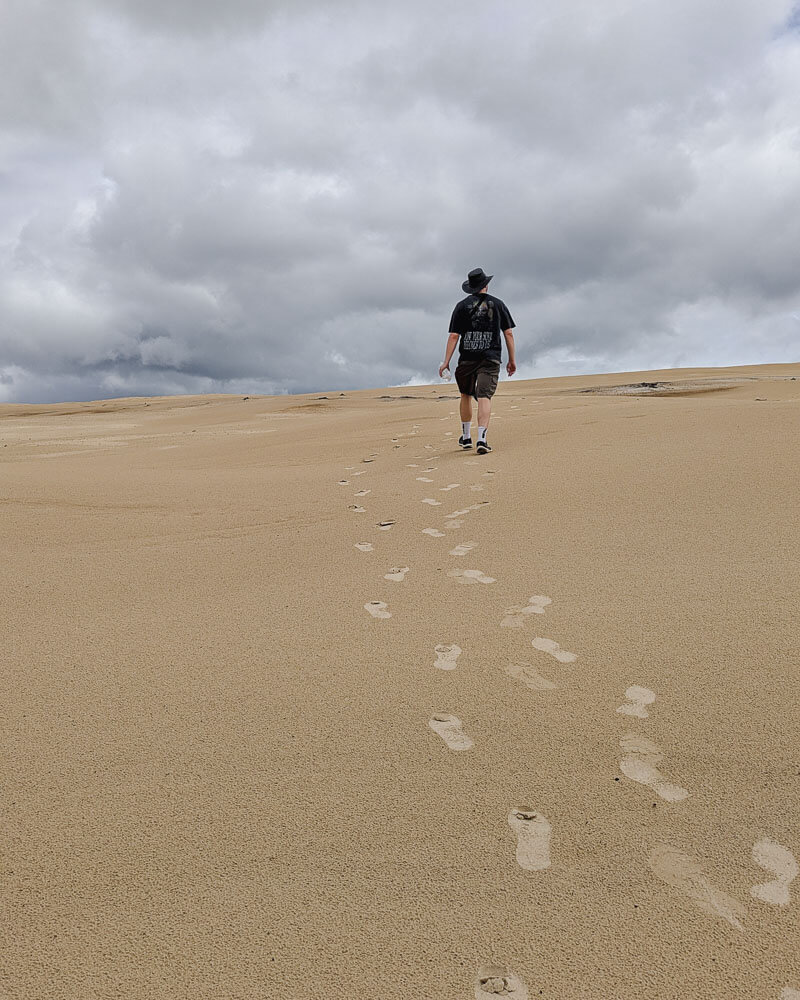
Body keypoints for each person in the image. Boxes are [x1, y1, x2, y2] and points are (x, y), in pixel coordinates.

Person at [439, 267, 516, 454]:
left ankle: (466, 437)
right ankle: (481, 439)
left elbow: (453, 336)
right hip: (490, 358)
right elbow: (508, 333)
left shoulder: (460, 306)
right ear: (486, 286)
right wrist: (512, 360)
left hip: (467, 358)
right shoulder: (498, 305)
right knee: (484, 396)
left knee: (465, 394)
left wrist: (446, 362)